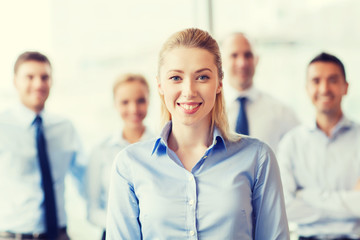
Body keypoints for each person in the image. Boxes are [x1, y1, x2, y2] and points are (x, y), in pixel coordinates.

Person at [106, 28, 289, 239]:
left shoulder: (258, 158)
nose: (189, 91)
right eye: (176, 77)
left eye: (202, 77)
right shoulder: (129, 164)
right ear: (159, 85)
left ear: (219, 83)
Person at [0, 51, 86, 240]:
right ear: (15, 82)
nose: (38, 84)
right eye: (30, 77)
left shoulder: (65, 128)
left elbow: (85, 181)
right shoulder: (2, 127)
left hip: (59, 234)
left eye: (44, 77)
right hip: (13, 235)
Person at [277, 52, 360, 239]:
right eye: (316, 81)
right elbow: (285, 207)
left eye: (332, 80)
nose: (324, 88)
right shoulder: (291, 143)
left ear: (345, 87)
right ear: (307, 88)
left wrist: (306, 196)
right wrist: (350, 205)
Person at [86, 73, 154, 240]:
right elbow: (92, 211)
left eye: (140, 100)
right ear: (115, 104)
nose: (133, 109)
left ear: (149, 101)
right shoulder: (100, 150)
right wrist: (124, 227)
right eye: (125, 102)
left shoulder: (163, 147)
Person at [221, 32, 299, 151]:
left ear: (256, 60)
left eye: (248, 55)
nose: (242, 63)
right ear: (222, 61)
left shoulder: (281, 112)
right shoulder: (209, 112)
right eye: (234, 55)